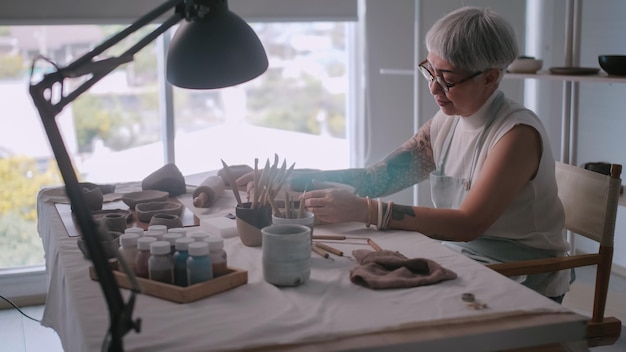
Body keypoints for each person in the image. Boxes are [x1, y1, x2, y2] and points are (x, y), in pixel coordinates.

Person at [236, 6, 571, 302]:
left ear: (491, 77)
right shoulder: (446, 123)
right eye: (431, 71)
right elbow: (376, 178)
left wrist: (368, 211)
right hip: (466, 259)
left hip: (523, 274)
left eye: (448, 80)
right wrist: (286, 177)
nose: (434, 88)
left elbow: (469, 224)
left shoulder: (515, 136)